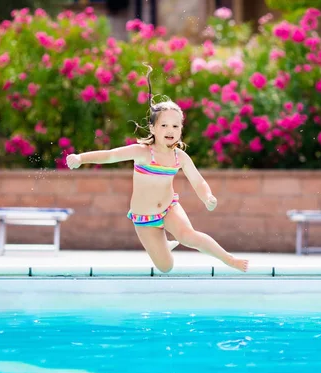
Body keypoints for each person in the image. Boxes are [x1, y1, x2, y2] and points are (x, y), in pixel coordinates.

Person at [66, 64, 248, 273]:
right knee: (166, 267)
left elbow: (198, 181)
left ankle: (229, 259)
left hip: (169, 208)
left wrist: (207, 197)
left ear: (181, 129)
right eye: (164, 126)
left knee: (188, 236)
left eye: (175, 126)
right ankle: (164, 246)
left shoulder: (179, 156)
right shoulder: (142, 153)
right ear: (152, 128)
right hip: (145, 218)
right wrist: (80, 158)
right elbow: (110, 156)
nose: (170, 130)